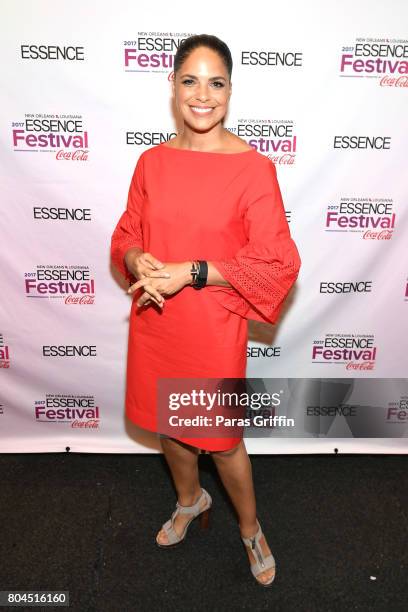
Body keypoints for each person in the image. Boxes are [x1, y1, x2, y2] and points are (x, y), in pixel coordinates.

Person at [110, 34, 301, 587]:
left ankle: (249, 527)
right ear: (171, 85)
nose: (202, 95)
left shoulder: (253, 169)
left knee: (222, 440)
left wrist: (192, 270)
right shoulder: (151, 161)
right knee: (170, 425)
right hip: (157, 321)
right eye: (189, 80)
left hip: (213, 324)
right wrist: (135, 255)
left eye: (215, 83)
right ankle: (190, 501)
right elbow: (128, 231)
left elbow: (276, 264)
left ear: (230, 91)